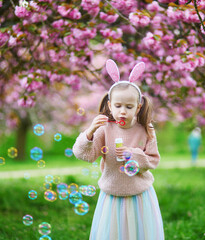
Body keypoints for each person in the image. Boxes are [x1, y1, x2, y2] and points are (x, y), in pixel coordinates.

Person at [73, 59, 164, 240]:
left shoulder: (146, 129)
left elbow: (153, 160)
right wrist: (90, 131)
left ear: (138, 107)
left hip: (139, 196)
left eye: (129, 107)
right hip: (112, 197)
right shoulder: (104, 129)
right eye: (118, 106)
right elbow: (84, 154)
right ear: (109, 105)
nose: (123, 111)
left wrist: (134, 155)